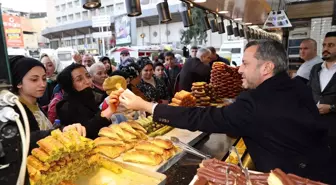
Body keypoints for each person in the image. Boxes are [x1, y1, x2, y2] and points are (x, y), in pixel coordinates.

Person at [113, 40, 334, 183]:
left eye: (245, 64)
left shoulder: (256, 101)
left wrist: (147, 107)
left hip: (298, 177)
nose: (239, 68)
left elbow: (202, 117)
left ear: (266, 68)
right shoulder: (295, 86)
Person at [9, 56, 86, 146]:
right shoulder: (15, 111)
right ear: (19, 83)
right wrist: (61, 131)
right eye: (34, 79)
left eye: (44, 78)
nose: (42, 84)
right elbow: (27, 138)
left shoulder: (35, 105)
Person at [56, 63, 114, 139]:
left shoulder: (89, 96)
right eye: (79, 79)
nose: (87, 81)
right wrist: (107, 112)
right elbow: (85, 132)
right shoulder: (66, 106)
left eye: (88, 76)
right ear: (69, 85)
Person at [308, 31, 336, 158]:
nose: (325, 49)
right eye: (324, 45)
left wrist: (331, 108)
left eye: (331, 45)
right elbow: (308, 92)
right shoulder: (316, 69)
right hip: (314, 127)